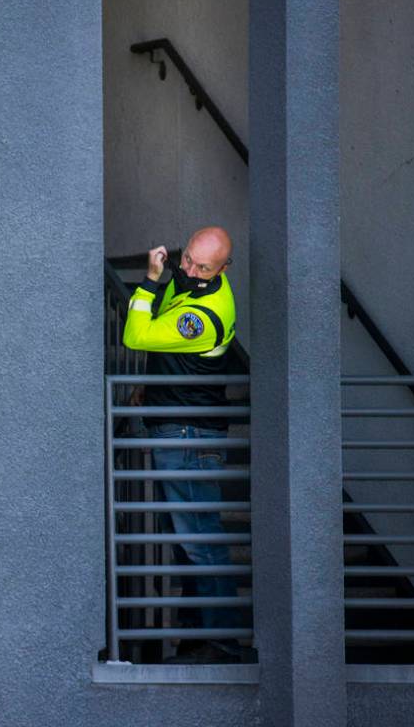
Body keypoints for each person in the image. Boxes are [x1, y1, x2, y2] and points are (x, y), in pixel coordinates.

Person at [122, 226, 242, 664]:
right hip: (182, 426)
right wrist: (151, 389)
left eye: (202, 267)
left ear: (224, 269)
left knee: (200, 541)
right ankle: (199, 639)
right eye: (188, 258)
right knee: (187, 541)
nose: (189, 270)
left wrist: (149, 281)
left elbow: (136, 336)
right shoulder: (201, 280)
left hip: (188, 434)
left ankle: (222, 643)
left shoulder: (203, 316)